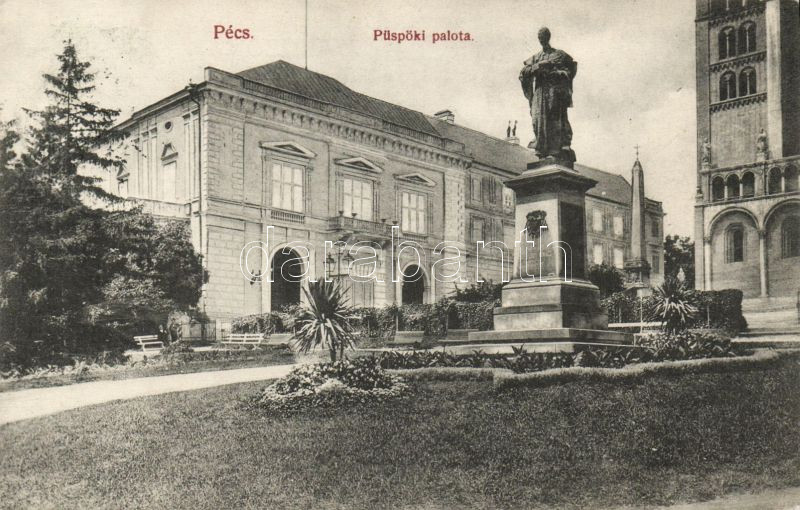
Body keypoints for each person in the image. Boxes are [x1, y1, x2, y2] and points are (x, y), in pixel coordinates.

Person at [519, 27, 577, 163]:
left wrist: (557, 73)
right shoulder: (536, 57)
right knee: (537, 119)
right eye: (540, 38)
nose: (541, 40)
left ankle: (554, 151)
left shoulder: (559, 54)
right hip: (539, 92)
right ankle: (541, 150)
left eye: (543, 37)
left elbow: (570, 71)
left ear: (548, 37)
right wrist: (537, 67)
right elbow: (523, 72)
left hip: (553, 91)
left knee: (553, 120)